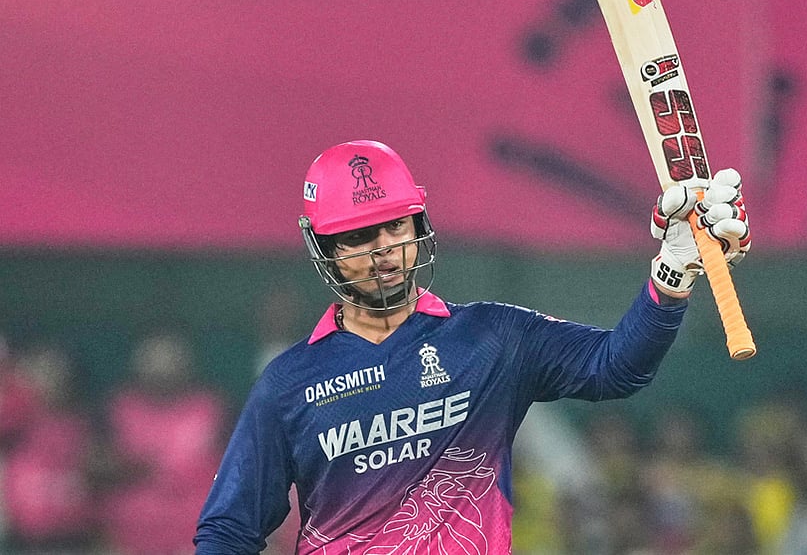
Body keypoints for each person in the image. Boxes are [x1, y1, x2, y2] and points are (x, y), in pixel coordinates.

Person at [194, 139, 751, 554]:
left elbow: (617, 368)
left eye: (395, 226)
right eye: (360, 236)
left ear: (419, 224)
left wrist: (674, 267)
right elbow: (229, 528)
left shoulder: (493, 337)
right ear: (325, 248)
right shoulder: (290, 382)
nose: (384, 248)